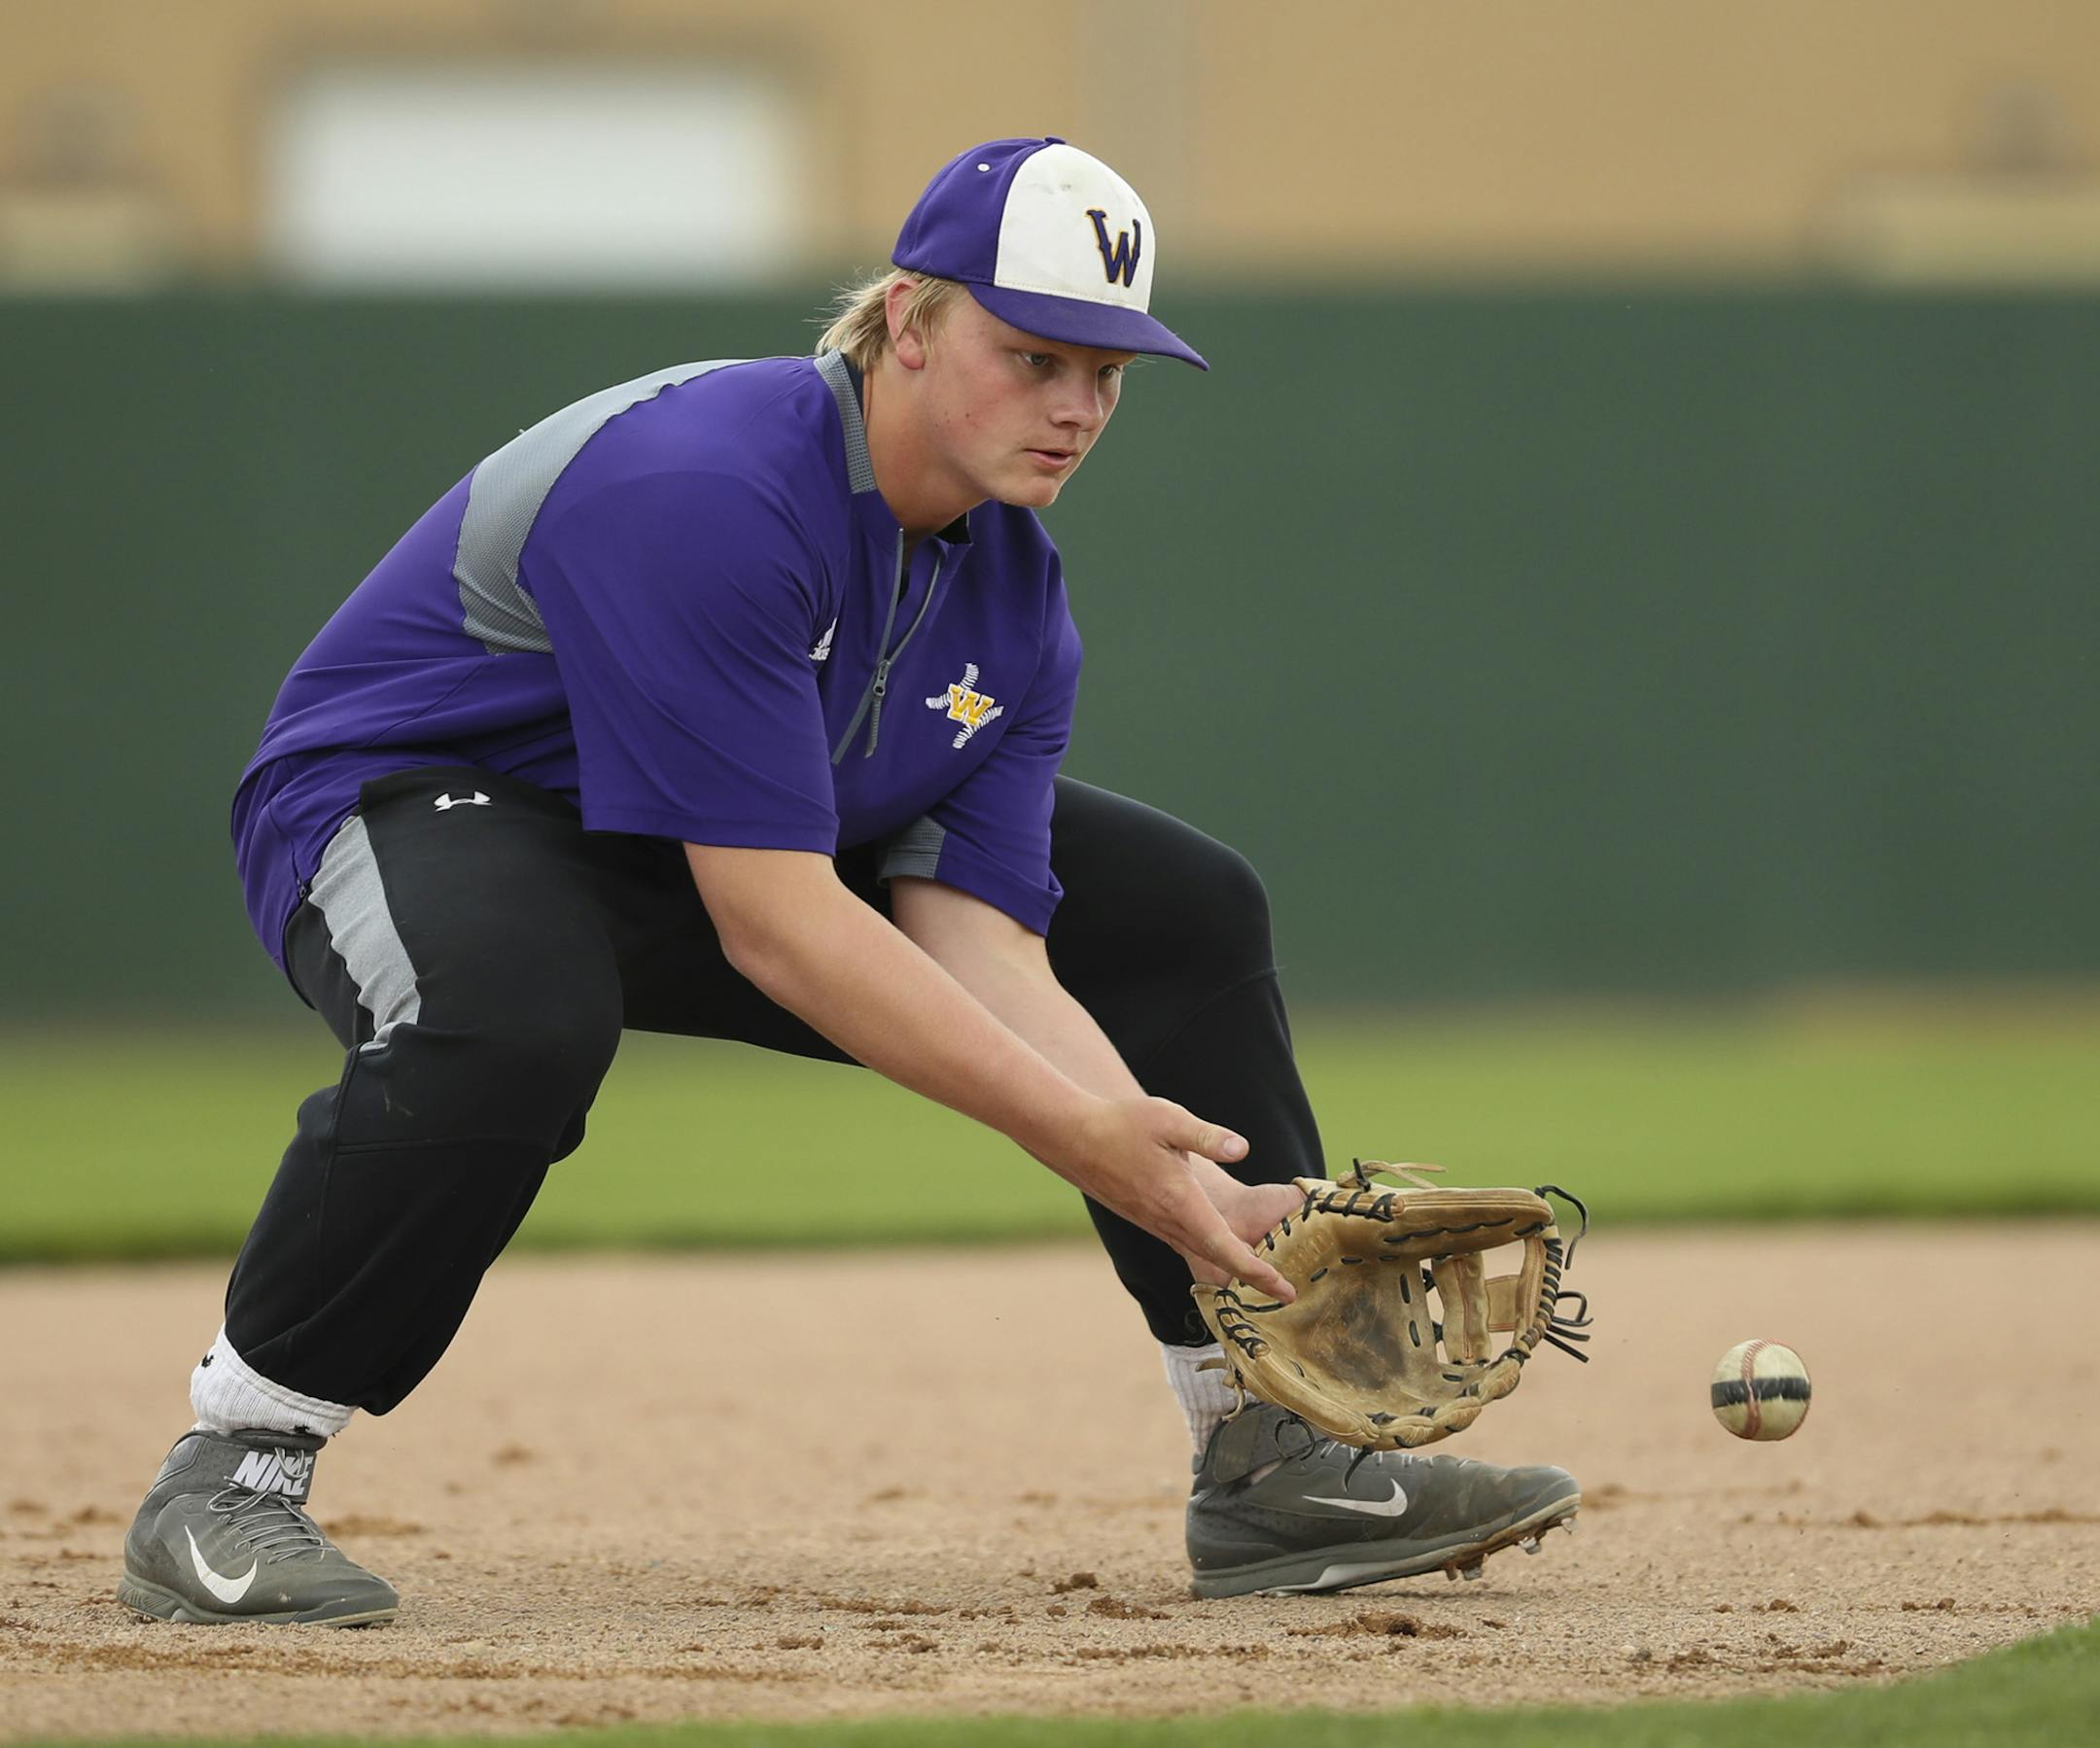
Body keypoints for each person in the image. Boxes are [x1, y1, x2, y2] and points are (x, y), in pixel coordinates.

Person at [119, 137, 1579, 1626]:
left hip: (730, 840)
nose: (1076, 406)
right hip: (417, 805)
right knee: (510, 1013)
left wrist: (1192, 1191)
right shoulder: (709, 485)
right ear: (905, 321)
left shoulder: (1014, 592)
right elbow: (778, 927)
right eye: (1035, 355)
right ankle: (233, 1471)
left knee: (1172, 909)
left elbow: (983, 938)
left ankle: (1273, 1453)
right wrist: (1088, 1136)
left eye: (1110, 372)